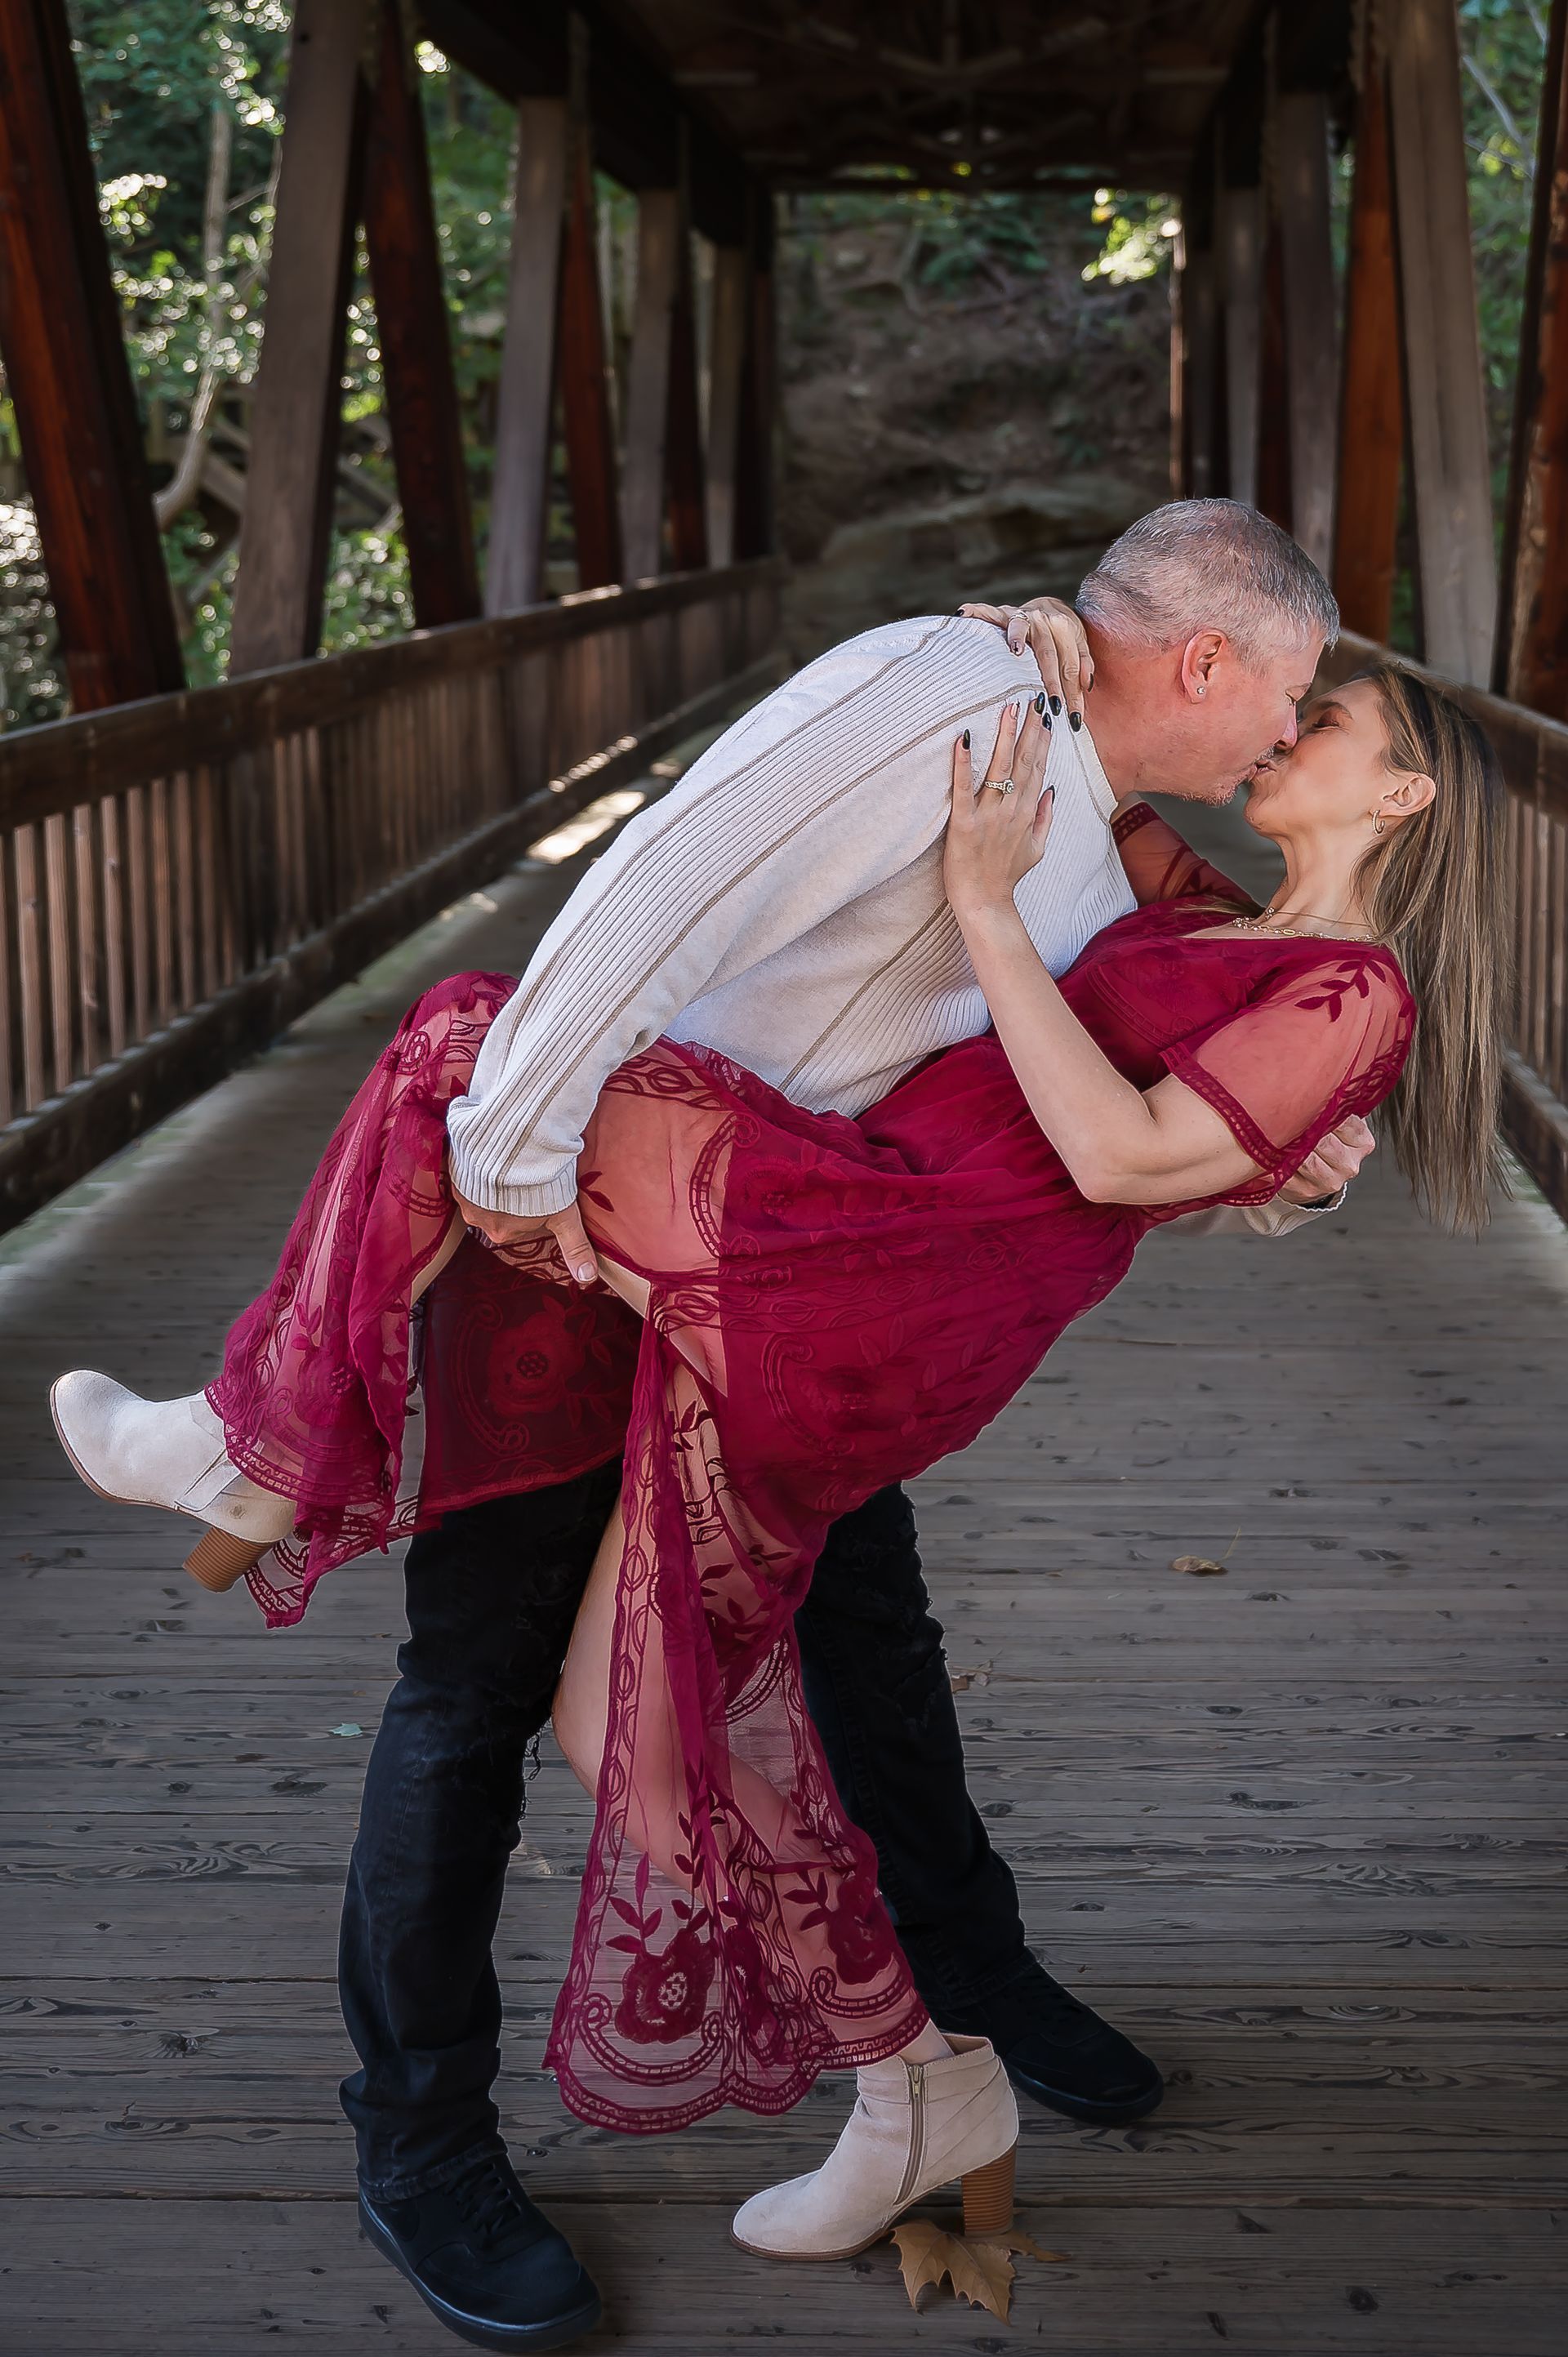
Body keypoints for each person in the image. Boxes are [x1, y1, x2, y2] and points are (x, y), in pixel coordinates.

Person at [49, 505, 1437, 2355]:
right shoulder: (950, 699)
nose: (1284, 731)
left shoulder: (1117, 841)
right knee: (499, 1689)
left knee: (860, 1645)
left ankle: (956, 2012)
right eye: (1286, 696)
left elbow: (1205, 1070)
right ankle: (429, 2138)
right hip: (615, 1235)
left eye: (1315, 719)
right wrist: (526, 1169)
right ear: (1204, 662)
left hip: (816, 1257)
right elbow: (653, 885)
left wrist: (1288, 1165)